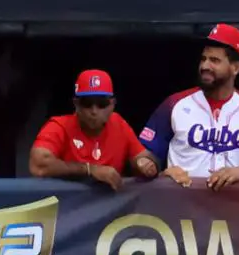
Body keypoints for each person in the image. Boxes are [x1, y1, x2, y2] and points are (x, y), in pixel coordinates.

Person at [139, 24, 239, 190]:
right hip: (179, 208)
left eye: (214, 60)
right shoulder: (175, 104)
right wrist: (158, 171)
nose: (205, 66)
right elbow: (143, 155)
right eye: (203, 59)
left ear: (236, 68)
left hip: (234, 211)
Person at [29, 69, 157, 190]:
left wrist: (145, 163)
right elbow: (38, 165)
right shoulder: (59, 125)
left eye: (102, 104)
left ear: (112, 104)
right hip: (68, 208)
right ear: (76, 104)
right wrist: (89, 170)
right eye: (87, 103)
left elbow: (143, 157)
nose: (94, 111)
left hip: (112, 208)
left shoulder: (118, 124)